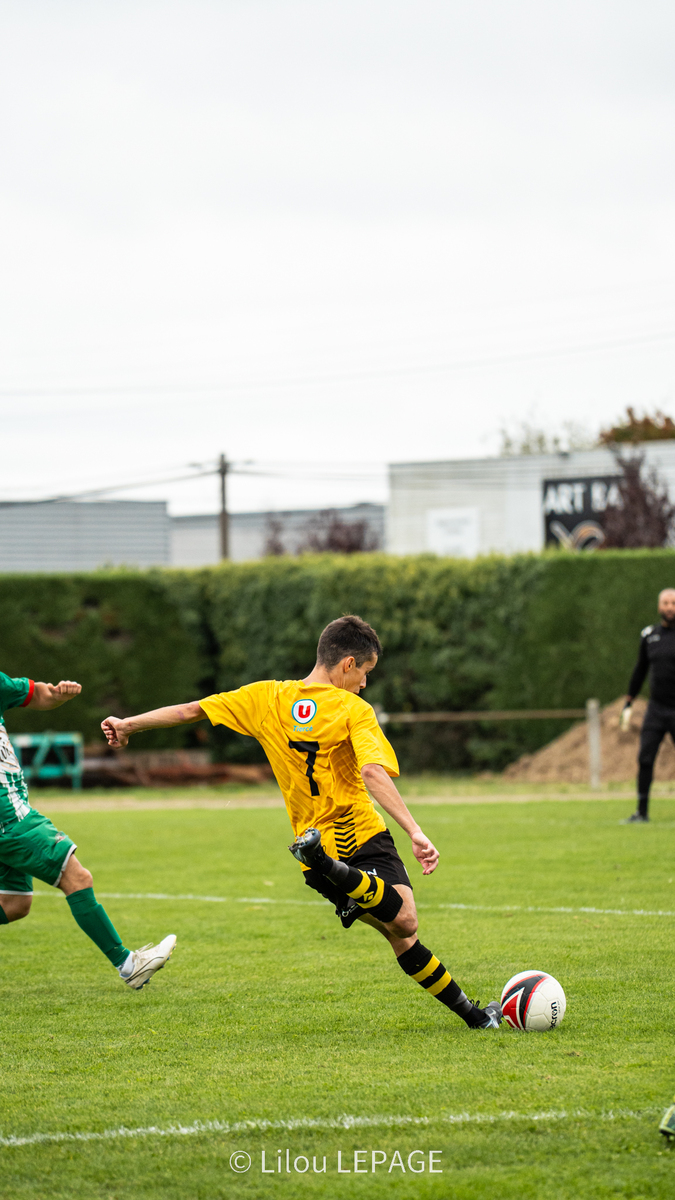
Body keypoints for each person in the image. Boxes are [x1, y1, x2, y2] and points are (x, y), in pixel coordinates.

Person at [101, 614, 503, 1030]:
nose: (365, 684)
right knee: (404, 920)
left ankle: (477, 1019)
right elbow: (372, 771)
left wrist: (127, 724)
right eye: (365, 672)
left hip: (311, 850)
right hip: (360, 834)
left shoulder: (267, 698)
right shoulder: (353, 709)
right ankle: (331, 865)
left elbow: (191, 710)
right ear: (348, 663)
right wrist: (415, 831)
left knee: (399, 935)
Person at [0, 670, 176, 988]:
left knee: (14, 904)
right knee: (77, 878)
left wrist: (57, 694)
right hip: (9, 817)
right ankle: (128, 965)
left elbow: (38, 694)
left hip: (13, 810)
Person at [621, 587, 675, 823]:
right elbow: (640, 670)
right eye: (666, 603)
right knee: (645, 758)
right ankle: (641, 812)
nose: (670, 607)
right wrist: (629, 700)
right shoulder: (649, 635)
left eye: (673, 603)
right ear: (659, 606)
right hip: (656, 708)